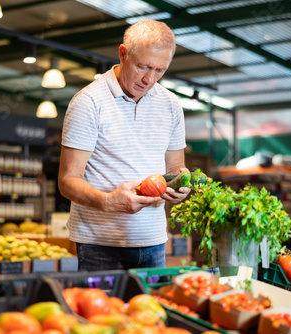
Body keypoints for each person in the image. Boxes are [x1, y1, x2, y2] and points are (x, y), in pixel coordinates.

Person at [58, 19, 191, 271]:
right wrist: (107, 202)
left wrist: (180, 186)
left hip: (153, 241)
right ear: (123, 53)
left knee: (152, 310)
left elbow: (176, 166)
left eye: (160, 70)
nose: (149, 79)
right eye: (143, 67)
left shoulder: (171, 104)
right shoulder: (88, 102)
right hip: (99, 244)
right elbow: (67, 180)